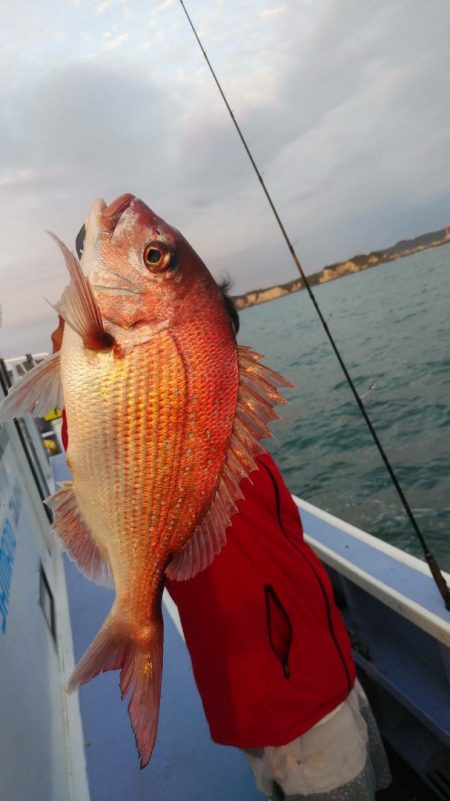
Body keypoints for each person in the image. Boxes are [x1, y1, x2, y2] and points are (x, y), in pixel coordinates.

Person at [52, 231, 391, 800]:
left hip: (327, 666)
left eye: (222, 350)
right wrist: (86, 299)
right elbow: (91, 428)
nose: (217, 370)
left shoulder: (232, 441)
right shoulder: (152, 441)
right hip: (285, 703)